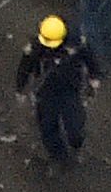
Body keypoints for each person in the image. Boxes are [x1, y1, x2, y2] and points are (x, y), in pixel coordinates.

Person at [13, 14, 94, 171]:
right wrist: (20, 88)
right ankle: (59, 156)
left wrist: (94, 76)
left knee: (75, 125)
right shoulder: (36, 47)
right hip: (46, 93)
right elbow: (25, 67)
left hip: (69, 89)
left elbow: (88, 57)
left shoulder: (75, 43)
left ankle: (76, 145)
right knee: (48, 126)